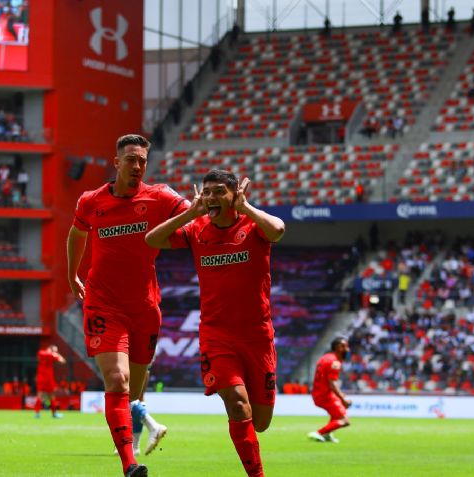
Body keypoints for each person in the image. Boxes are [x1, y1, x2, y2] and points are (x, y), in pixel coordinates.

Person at [146, 169, 286, 477]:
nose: (210, 197)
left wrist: (246, 207)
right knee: (237, 404)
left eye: (219, 191)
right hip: (216, 335)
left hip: (258, 335)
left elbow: (278, 230)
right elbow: (151, 239)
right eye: (206, 191)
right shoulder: (197, 229)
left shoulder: (253, 225)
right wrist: (190, 214)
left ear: (234, 195)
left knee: (260, 422)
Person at [66, 134, 188, 477]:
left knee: (134, 389)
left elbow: (194, 223)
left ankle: (134, 431)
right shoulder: (92, 201)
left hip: (145, 307)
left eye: (142, 161)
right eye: (131, 159)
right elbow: (77, 234)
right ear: (116, 162)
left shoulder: (160, 196)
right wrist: (72, 274)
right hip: (103, 304)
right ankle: (129, 465)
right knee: (116, 380)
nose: (137, 166)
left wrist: (203, 211)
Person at [308, 336, 352, 443]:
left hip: (319, 393)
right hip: (325, 395)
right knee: (344, 420)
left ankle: (327, 434)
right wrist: (343, 398)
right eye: (344, 346)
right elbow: (332, 383)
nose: (347, 349)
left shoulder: (326, 357)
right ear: (337, 348)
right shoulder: (335, 362)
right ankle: (319, 433)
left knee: (337, 414)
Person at [34, 344, 66, 419]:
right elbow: (62, 360)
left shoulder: (45, 354)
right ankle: (39, 413)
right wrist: (55, 354)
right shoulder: (47, 353)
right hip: (45, 378)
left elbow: (63, 361)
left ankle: (43, 413)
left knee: (48, 396)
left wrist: (55, 354)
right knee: (42, 395)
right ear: (50, 348)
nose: (55, 351)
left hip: (45, 378)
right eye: (54, 350)